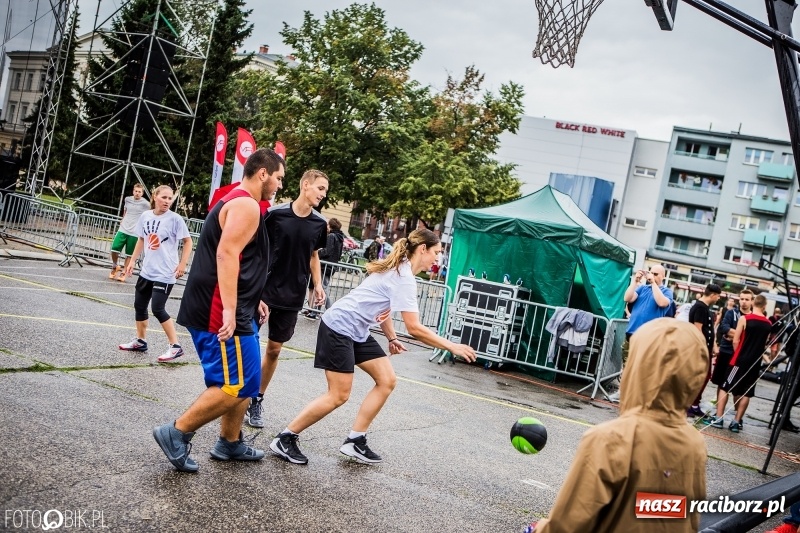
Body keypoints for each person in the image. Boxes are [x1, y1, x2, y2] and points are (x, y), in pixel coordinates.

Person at [269, 229, 477, 465]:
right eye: (437, 252)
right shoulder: (403, 276)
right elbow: (415, 328)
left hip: (357, 331)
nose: (437, 259)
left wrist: (390, 337)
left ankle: (355, 440)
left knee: (386, 379)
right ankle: (286, 437)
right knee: (339, 394)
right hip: (339, 326)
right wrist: (452, 346)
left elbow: (382, 307)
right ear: (423, 249)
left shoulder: (400, 270)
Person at [152, 148, 284, 472]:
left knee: (248, 381)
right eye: (279, 178)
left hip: (238, 307)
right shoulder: (246, 205)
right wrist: (228, 309)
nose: (280, 185)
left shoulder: (243, 203)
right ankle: (177, 432)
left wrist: (254, 299)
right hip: (219, 309)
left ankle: (229, 441)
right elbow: (226, 255)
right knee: (234, 384)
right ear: (263, 173)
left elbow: (243, 259)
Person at [529, 319, 708, 532]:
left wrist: (540, 528)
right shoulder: (695, 443)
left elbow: (566, 526)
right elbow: (689, 518)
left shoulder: (609, 440)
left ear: (639, 367)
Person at [245, 170, 330, 429]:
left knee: (274, 349)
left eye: (325, 190)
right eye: (320, 188)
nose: (323, 194)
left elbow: (313, 255)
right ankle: (236, 394)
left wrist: (317, 285)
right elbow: (257, 248)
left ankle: (256, 399)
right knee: (248, 345)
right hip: (264, 292)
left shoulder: (319, 224)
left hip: (292, 294)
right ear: (305, 185)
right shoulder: (275, 214)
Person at [118, 185, 192, 363]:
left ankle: (175, 346)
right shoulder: (146, 216)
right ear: (155, 197)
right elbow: (142, 239)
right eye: (164, 197)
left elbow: (188, 241)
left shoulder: (175, 219)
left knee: (158, 308)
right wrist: (133, 260)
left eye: (170, 198)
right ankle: (140, 341)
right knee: (139, 305)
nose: (167, 201)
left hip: (165, 273)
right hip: (148, 271)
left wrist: (182, 264)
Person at [608, 264, 673, 402]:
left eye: (656, 274)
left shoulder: (666, 291)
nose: (652, 276)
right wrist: (635, 281)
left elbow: (662, 303)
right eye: (651, 273)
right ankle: (622, 393)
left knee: (645, 368)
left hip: (649, 336)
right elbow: (627, 298)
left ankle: (640, 397)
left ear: (663, 276)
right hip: (632, 332)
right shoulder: (643, 288)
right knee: (627, 366)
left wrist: (654, 283)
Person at [707, 294, 771, 432]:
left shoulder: (745, 318)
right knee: (746, 392)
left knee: (725, 386)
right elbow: (764, 343)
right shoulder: (768, 324)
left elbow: (736, 340)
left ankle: (719, 418)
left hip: (739, 360)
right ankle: (736, 422)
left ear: (753, 304)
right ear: (765, 306)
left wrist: (738, 352)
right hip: (754, 363)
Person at [706, 290, 753, 428]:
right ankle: (719, 415)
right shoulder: (731, 313)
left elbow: (750, 335)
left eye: (747, 299)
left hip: (740, 356)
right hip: (726, 352)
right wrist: (741, 334)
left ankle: (737, 419)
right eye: (742, 298)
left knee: (737, 389)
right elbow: (724, 328)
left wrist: (736, 335)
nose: (744, 301)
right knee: (721, 384)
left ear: (752, 301)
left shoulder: (753, 317)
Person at [686, 283, 721, 418]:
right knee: (699, 377)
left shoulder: (704, 308)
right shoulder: (700, 308)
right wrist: (702, 349)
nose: (718, 299)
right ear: (712, 295)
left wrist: (713, 346)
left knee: (704, 378)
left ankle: (694, 404)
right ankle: (689, 404)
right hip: (699, 350)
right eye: (718, 296)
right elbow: (698, 329)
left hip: (705, 348)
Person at [305, 217, 345, 320]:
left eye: (327, 225)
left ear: (330, 226)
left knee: (322, 290)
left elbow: (327, 251)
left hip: (325, 265)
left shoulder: (332, 236)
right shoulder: (340, 237)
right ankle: (315, 310)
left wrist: (316, 254)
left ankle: (330, 311)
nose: (326, 226)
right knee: (320, 288)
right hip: (331, 266)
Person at [108, 182, 150, 282]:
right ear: (133, 191)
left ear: (142, 193)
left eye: (139, 192)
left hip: (135, 232)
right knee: (114, 248)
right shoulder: (127, 199)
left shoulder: (146, 204)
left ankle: (124, 272)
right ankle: (115, 266)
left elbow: (151, 213)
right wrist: (123, 219)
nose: (137, 193)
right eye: (136, 191)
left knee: (129, 254)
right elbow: (125, 211)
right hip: (123, 228)